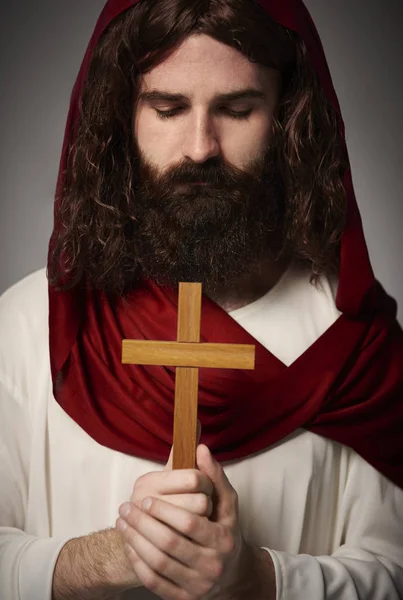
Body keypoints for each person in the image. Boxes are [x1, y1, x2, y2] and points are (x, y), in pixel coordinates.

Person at [0, 0, 402, 598]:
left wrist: (258, 579)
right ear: (121, 117)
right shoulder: (32, 325)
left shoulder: (357, 350)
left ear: (289, 118)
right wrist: (106, 558)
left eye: (237, 110)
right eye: (167, 108)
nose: (199, 148)